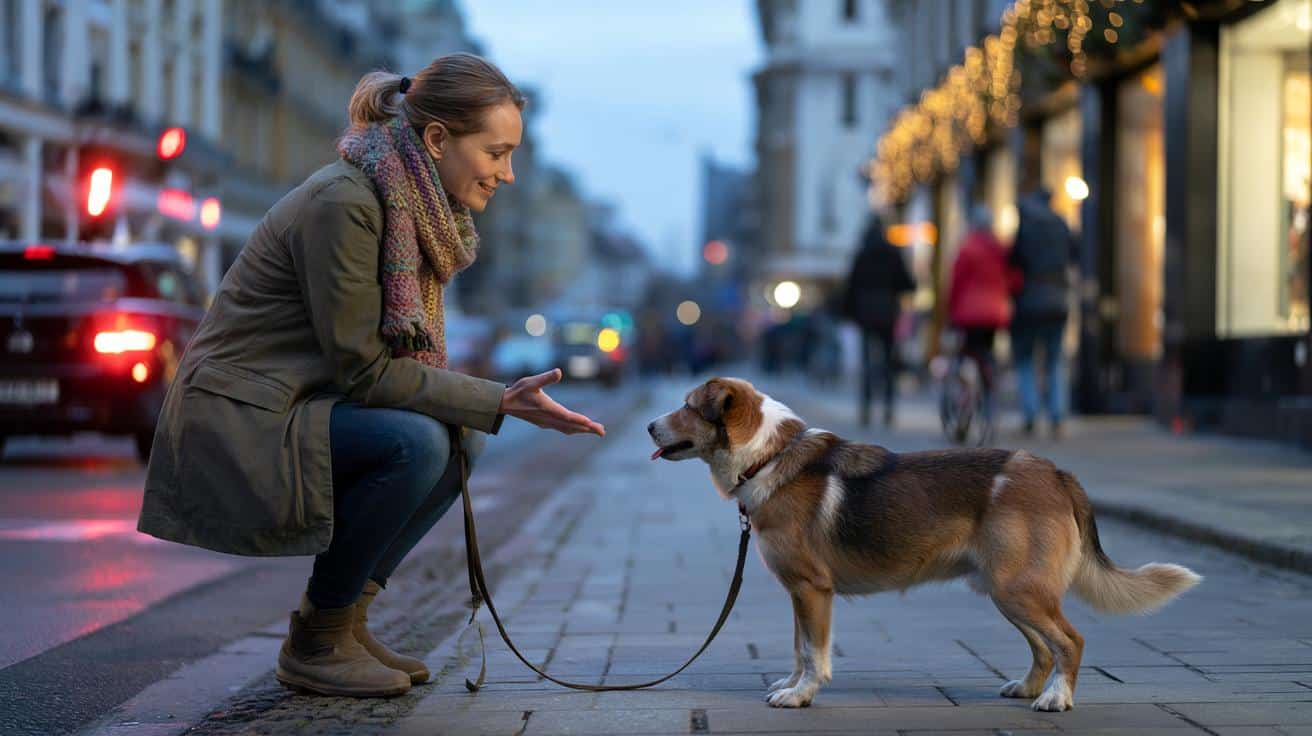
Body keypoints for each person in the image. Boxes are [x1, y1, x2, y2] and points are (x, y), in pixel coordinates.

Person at [137, 54, 605, 698]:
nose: (508, 173)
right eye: (496, 153)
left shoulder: (410, 207)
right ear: (437, 139)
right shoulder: (346, 203)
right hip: (238, 415)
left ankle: (342, 623)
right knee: (417, 444)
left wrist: (485, 407)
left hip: (296, 403)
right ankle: (319, 640)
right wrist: (500, 400)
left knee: (460, 438)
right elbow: (364, 370)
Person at [1009, 186, 1077, 437]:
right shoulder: (1061, 223)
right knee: (1055, 359)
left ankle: (1030, 413)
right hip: (1057, 299)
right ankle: (1057, 414)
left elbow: (1014, 259)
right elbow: (1075, 254)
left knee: (1026, 358)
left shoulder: (1027, 225)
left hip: (1029, 300)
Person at [842, 214, 915, 427]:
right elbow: (907, 282)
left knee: (867, 362)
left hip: (865, 313)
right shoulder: (892, 252)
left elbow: (851, 286)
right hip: (887, 312)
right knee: (888, 361)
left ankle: (866, 408)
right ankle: (888, 409)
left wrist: (850, 313)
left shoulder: (862, 253)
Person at [947, 203, 1015, 423]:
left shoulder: (967, 248)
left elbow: (956, 282)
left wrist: (950, 311)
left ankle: (966, 396)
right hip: (995, 313)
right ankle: (989, 392)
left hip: (968, 314)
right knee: (986, 352)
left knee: (967, 354)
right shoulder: (1001, 249)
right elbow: (1013, 278)